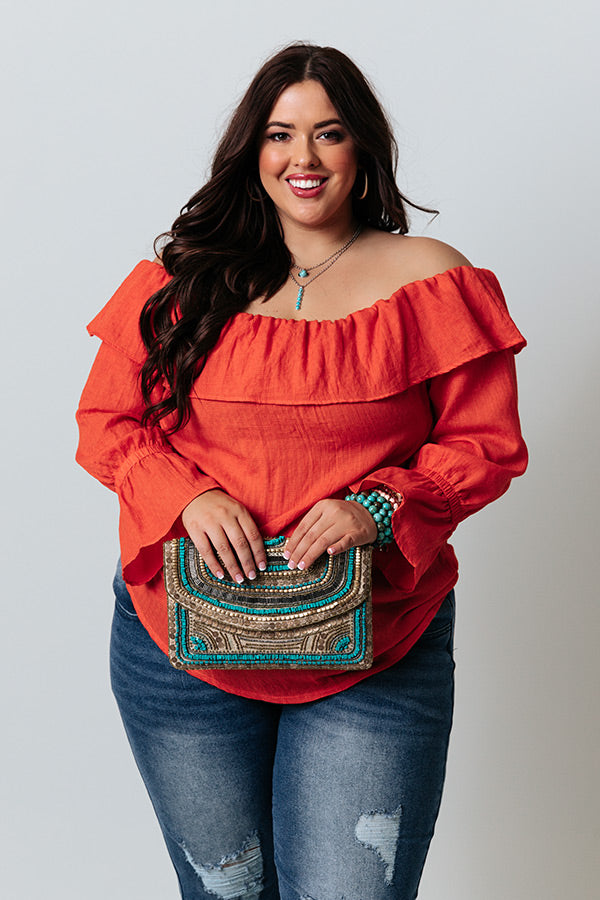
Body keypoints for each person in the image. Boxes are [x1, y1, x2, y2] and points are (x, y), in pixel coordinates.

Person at [76, 42, 527, 900]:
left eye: (329, 133)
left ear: (363, 148)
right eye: (281, 134)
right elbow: (108, 422)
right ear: (253, 149)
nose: (303, 158)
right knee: (224, 893)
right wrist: (188, 494)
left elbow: (484, 443)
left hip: (377, 644)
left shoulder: (432, 280)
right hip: (181, 641)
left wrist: (378, 509)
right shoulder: (180, 279)